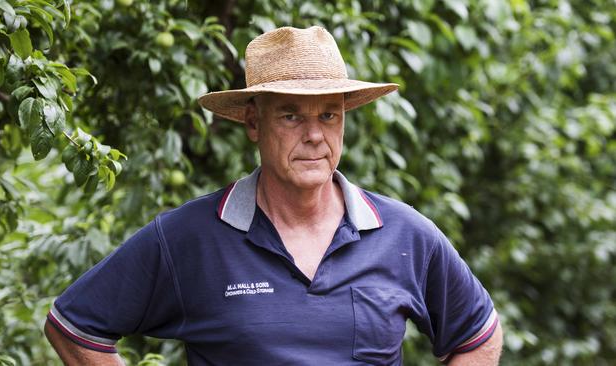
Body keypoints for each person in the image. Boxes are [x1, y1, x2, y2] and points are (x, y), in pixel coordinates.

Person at [44, 26, 503, 365]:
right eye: (289, 116)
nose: (313, 136)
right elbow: (74, 327)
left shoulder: (404, 234)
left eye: (328, 115)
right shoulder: (189, 237)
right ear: (252, 124)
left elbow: (478, 337)